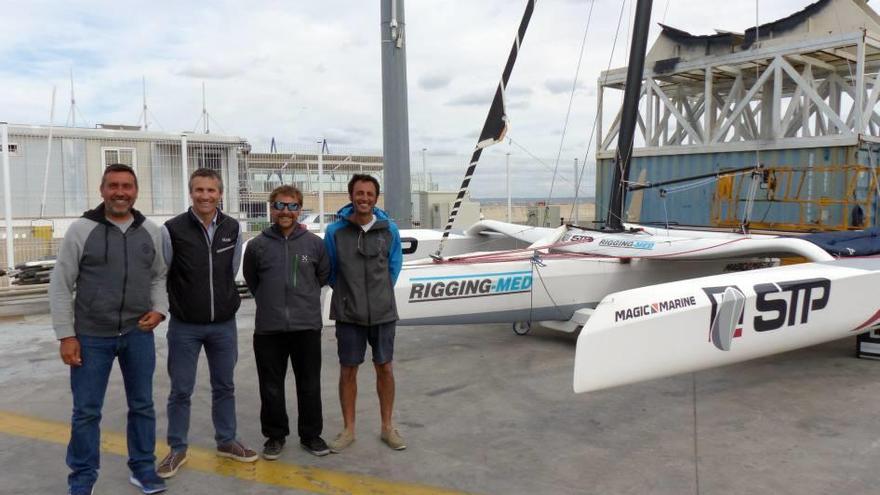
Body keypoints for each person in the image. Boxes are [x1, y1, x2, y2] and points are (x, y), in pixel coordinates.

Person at [50, 164, 168, 495]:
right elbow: (61, 284)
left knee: (143, 404)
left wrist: (160, 310)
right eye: (113, 185)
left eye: (127, 186)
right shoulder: (81, 230)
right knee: (86, 411)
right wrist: (66, 335)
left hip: (137, 334)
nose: (120, 192)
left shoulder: (152, 232)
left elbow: (159, 275)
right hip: (90, 337)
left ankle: (143, 469)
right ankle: (82, 479)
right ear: (102, 190)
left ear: (136, 191)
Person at [156, 168, 257, 479]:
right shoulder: (172, 229)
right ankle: (177, 448)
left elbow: (232, 268)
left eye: (211, 190)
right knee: (181, 389)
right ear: (191, 192)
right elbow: (162, 273)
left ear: (220, 194)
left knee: (224, 386)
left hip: (223, 324)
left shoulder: (231, 227)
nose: (205, 196)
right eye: (199, 190)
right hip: (185, 325)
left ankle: (226, 440)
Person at [243, 185, 332, 458]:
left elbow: (323, 276)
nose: (286, 211)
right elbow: (253, 280)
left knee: (309, 383)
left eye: (293, 206)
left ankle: (311, 435)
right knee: (270, 385)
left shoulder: (315, 244)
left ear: (300, 210)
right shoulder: (257, 246)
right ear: (271, 208)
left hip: (306, 326)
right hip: (269, 328)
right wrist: (273, 304)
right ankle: (275, 435)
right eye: (280, 205)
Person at [324, 174, 405, 452]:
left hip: (383, 312)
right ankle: (348, 429)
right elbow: (331, 270)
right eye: (359, 193)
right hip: (348, 314)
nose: (364, 199)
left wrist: (379, 293)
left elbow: (394, 265)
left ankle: (387, 427)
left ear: (375, 197)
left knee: (385, 367)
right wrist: (350, 294)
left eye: (370, 194)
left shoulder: (389, 229)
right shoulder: (335, 231)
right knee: (348, 370)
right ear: (351, 196)